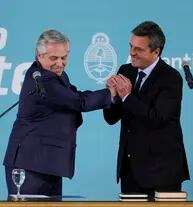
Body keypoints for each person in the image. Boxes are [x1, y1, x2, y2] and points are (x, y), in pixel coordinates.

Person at [3, 29, 115, 196]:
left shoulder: (57, 76)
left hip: (47, 162)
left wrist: (108, 92)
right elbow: (79, 102)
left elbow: (75, 96)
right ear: (38, 55)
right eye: (53, 58)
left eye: (64, 57)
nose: (60, 63)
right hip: (29, 165)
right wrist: (112, 92)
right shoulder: (41, 79)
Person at [104, 21, 190, 197]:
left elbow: (157, 118)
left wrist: (127, 96)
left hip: (162, 172)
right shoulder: (126, 71)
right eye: (131, 46)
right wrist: (113, 96)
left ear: (156, 51)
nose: (131, 53)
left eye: (139, 49)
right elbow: (111, 118)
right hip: (130, 171)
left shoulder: (171, 78)